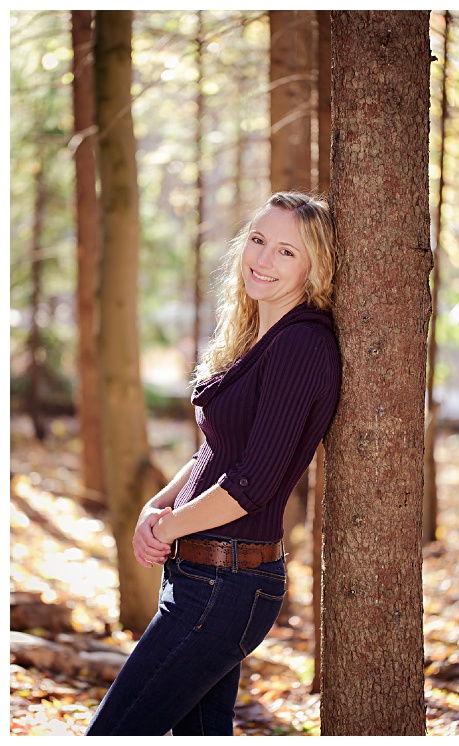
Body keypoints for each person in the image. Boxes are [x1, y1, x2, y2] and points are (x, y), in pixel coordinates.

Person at [88, 192, 342, 736]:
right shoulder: (257, 336)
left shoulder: (302, 344)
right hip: (203, 574)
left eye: (286, 252)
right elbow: (218, 450)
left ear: (314, 267)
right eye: (257, 240)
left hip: (227, 584)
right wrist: (156, 507)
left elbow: (251, 483)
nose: (262, 260)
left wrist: (168, 526)